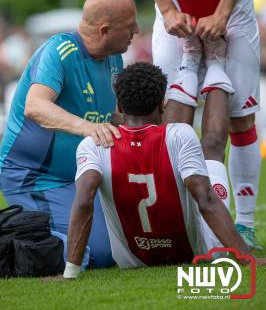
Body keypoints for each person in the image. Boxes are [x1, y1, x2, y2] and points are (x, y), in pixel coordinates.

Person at [123, 0, 261, 248]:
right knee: (170, 123)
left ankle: (243, 223)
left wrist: (223, 13)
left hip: (233, 13)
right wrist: (168, 9)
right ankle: (176, 220)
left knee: (241, 119)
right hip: (173, 13)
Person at [63, 62, 265, 279]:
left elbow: (84, 201)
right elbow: (206, 200)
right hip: (196, 253)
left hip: (133, 261)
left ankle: (193, 58)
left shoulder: (93, 144)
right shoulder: (179, 135)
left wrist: (71, 271)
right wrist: (247, 258)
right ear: (162, 105)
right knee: (213, 148)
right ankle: (214, 61)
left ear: (120, 107)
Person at [0, 0, 139, 267]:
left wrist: (151, 128)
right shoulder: (59, 52)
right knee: (90, 255)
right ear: (104, 30)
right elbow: (35, 106)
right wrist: (86, 127)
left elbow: (108, 116)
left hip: (79, 176)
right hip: (34, 176)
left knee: (118, 247)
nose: (136, 30)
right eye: (129, 26)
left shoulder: (115, 58)